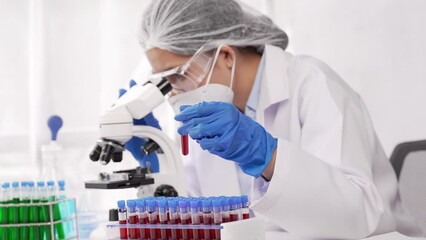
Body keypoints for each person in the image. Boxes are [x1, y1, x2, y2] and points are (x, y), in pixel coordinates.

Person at [120, 0, 423, 238]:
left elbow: (356, 215)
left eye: (177, 75)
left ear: (225, 55)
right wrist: (159, 163)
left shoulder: (313, 85)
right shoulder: (206, 114)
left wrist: (267, 156)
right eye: (163, 82)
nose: (173, 93)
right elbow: (202, 217)